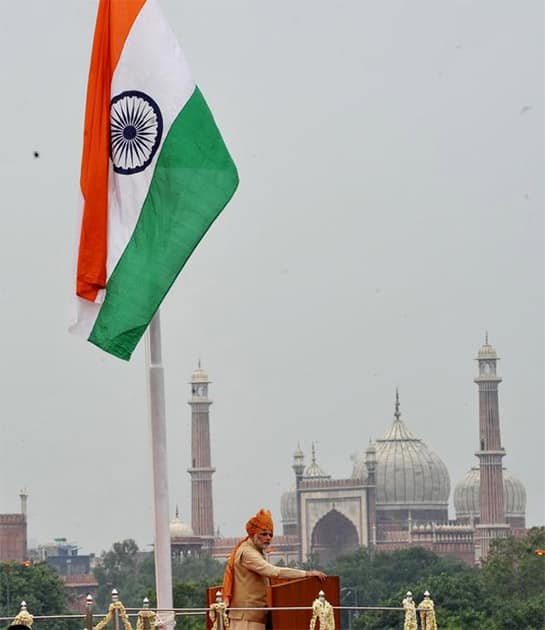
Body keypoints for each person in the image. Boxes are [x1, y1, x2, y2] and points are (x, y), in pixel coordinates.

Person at [222, 509, 326, 630]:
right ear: (254, 534)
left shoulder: (254, 551)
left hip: (253, 616)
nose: (268, 538)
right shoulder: (247, 553)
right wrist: (307, 573)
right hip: (247, 618)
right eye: (264, 534)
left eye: (270, 534)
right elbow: (274, 572)